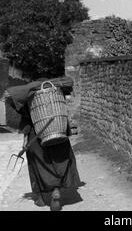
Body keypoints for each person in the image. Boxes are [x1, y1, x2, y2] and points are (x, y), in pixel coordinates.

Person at [6, 77, 81, 211]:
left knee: (37, 165)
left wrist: (25, 142)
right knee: (60, 162)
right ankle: (56, 189)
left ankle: (40, 197)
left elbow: (26, 124)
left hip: (37, 137)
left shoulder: (29, 101)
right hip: (59, 133)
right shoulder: (56, 96)